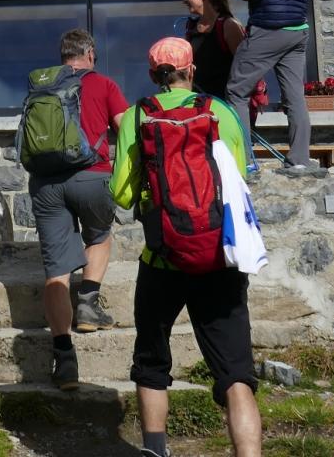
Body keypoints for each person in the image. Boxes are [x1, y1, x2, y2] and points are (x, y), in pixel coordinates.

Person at [108, 37, 263, 457]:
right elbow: (240, 175)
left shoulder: (138, 115)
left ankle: (157, 450)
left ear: (152, 75)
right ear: (191, 71)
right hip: (219, 258)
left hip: (162, 258)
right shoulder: (220, 112)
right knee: (235, 374)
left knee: (152, 362)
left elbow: (122, 193)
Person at [24, 29, 129, 389]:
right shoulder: (104, 84)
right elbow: (123, 129)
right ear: (90, 53)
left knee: (56, 272)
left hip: (46, 183)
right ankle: (87, 302)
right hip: (91, 176)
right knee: (99, 234)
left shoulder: (42, 85)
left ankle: (64, 358)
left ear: (63, 55)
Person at [224, 0, 312, 168]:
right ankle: (299, 160)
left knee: (236, 91)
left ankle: (243, 159)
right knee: (295, 97)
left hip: (271, 26)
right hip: (298, 30)